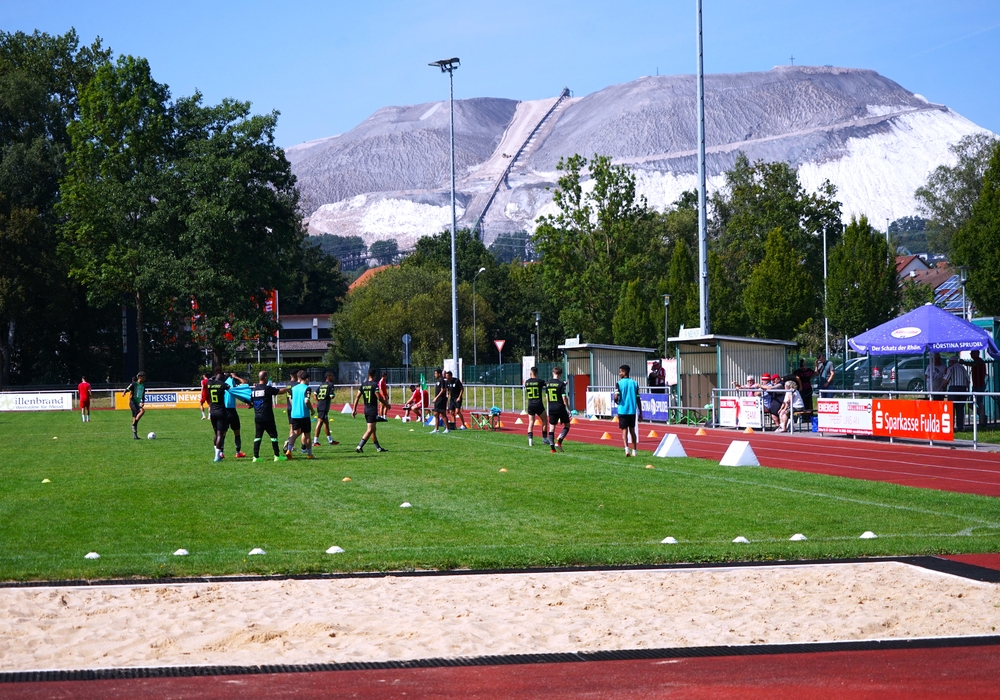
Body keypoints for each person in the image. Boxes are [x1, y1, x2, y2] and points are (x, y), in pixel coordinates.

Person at [251, 371, 288, 462]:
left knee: (258, 437)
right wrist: (288, 389)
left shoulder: (254, 390)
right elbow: (279, 391)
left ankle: (255, 457)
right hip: (267, 417)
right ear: (265, 378)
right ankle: (277, 456)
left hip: (258, 417)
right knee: (273, 436)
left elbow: (252, 402)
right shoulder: (267, 388)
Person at [353, 368, 390, 453]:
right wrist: (387, 404)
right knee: (370, 430)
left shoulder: (363, 385)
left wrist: (354, 409)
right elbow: (379, 397)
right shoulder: (374, 385)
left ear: (368, 375)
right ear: (375, 375)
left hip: (366, 410)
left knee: (373, 429)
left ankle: (378, 448)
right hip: (372, 410)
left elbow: (357, 397)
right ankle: (359, 446)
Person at [285, 371, 315, 459]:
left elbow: (290, 399)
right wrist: (312, 410)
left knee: (294, 433)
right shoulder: (307, 388)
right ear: (307, 379)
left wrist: (295, 406)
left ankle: (289, 450)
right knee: (307, 434)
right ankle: (309, 454)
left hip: (294, 414)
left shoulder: (294, 388)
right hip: (304, 415)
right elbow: (306, 401)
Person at [205, 370, 231, 461]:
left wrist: (216, 377)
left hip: (212, 411)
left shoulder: (209, 383)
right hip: (221, 411)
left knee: (216, 433)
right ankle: (217, 456)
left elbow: (210, 379)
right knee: (220, 434)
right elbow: (229, 388)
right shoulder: (223, 385)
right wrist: (226, 376)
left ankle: (216, 454)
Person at [615, 364, 640, 457]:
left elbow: (616, 396)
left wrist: (616, 401)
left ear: (625, 372)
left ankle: (626, 449)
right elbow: (638, 398)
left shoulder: (619, 383)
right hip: (632, 410)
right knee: (632, 431)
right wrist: (640, 412)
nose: (619, 373)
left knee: (624, 430)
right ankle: (634, 451)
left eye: (620, 372)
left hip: (622, 410)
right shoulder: (635, 383)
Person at [223, 372, 249, 458]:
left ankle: (221, 452)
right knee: (236, 432)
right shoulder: (231, 385)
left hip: (224, 411)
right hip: (231, 411)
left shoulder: (223, 384)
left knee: (223, 432)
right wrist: (236, 377)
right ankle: (238, 452)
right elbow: (244, 382)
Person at [546, 366, 571, 453]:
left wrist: (550, 405)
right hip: (560, 407)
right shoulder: (560, 384)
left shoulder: (548, 384)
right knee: (567, 425)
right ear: (560, 374)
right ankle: (559, 441)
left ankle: (552, 448)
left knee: (552, 428)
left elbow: (546, 397)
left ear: (553, 373)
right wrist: (568, 408)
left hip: (551, 408)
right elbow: (564, 398)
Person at [524, 366, 548, 447]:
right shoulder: (539, 381)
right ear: (537, 373)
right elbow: (547, 384)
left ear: (531, 373)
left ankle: (530, 440)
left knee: (531, 422)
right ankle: (544, 439)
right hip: (538, 404)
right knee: (544, 420)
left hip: (530, 404)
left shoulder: (527, 382)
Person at [313, 372, 340, 446]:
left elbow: (315, 394)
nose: (333, 377)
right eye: (332, 376)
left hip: (320, 405)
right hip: (324, 406)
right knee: (320, 422)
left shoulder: (322, 384)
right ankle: (315, 441)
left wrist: (318, 402)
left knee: (326, 423)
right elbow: (331, 396)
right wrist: (333, 395)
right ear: (329, 376)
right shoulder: (330, 385)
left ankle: (330, 440)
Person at [963, 350, 988, 427]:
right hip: (976, 385)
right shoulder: (977, 361)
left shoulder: (979, 361)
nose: (970, 355)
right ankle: (982, 415)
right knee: (972, 403)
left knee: (979, 402)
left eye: (972, 353)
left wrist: (964, 362)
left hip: (979, 385)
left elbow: (972, 364)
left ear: (976, 354)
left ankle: (982, 420)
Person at [945, 356, 969, 432]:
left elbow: (946, 380)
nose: (949, 363)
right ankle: (960, 426)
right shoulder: (963, 368)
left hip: (953, 389)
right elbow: (968, 380)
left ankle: (951, 426)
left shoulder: (951, 369)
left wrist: (942, 387)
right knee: (960, 409)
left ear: (952, 361)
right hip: (963, 389)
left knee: (951, 408)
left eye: (950, 361)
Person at [122, 372, 147, 439]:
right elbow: (128, 388)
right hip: (133, 402)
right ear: (139, 377)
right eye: (144, 377)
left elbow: (143, 394)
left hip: (137, 403)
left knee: (135, 418)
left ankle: (135, 436)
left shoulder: (143, 386)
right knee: (142, 411)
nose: (145, 378)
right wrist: (124, 393)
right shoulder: (134, 384)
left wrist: (143, 402)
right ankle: (133, 425)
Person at [430, 369, 448, 433]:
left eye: (436, 373)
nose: (435, 375)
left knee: (443, 414)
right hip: (438, 400)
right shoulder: (438, 381)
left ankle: (447, 429)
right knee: (436, 414)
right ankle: (436, 429)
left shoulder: (442, 380)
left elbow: (442, 390)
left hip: (441, 399)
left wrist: (436, 398)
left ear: (439, 374)